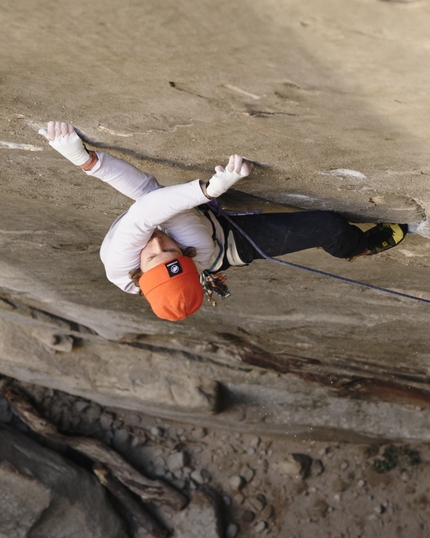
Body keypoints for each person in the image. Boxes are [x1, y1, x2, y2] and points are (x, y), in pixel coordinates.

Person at [38, 122, 408, 321]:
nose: (157, 243)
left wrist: (86, 161)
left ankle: (351, 244)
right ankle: (356, 248)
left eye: (156, 255)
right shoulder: (192, 246)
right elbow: (158, 208)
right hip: (225, 245)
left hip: (198, 227)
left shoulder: (118, 260)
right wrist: (210, 190)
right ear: (186, 259)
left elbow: (146, 201)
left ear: (140, 272)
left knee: (158, 207)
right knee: (329, 227)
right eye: (170, 251)